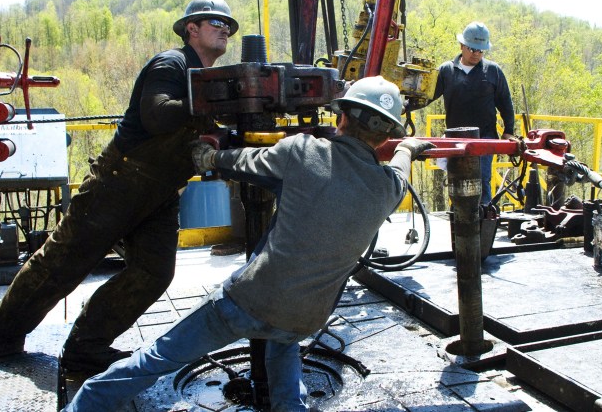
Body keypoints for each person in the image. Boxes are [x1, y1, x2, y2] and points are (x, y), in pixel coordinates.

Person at [62, 76, 436, 411]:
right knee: (283, 345)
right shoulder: (388, 188)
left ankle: (83, 407)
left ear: (341, 117)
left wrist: (210, 156)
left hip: (249, 301)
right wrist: (409, 149)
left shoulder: (304, 151)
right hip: (306, 317)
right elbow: (400, 169)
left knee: (157, 359)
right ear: (386, 137)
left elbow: (245, 161)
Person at [0, 0, 239, 373]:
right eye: (216, 23)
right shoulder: (172, 63)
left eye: (228, 26)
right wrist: (216, 103)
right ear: (191, 29)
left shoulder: (204, 79)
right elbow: (157, 116)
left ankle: (87, 346)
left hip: (159, 192)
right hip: (117, 184)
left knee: (153, 272)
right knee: (62, 265)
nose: (225, 30)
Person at [431, 21, 515, 205]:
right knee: (457, 182)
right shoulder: (446, 70)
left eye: (480, 51)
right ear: (462, 46)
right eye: (472, 49)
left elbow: (505, 102)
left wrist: (509, 130)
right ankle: (460, 220)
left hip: (485, 139)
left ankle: (484, 218)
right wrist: (404, 106)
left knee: (482, 180)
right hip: (456, 139)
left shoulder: (492, 71)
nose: (476, 54)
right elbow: (429, 95)